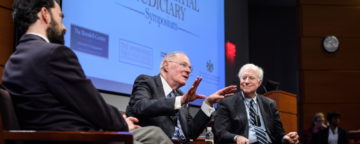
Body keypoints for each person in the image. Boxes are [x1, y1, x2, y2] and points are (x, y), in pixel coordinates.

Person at [2, 0, 172, 144]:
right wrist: (122, 123)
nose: (64, 27)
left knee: (154, 134)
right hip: (79, 137)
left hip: (57, 134)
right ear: (45, 14)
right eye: (60, 17)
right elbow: (92, 105)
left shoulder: (12, 62)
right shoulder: (54, 54)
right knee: (156, 137)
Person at [126, 52, 237, 143]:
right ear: (166, 65)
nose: (188, 71)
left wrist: (208, 103)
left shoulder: (180, 95)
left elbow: (191, 132)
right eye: (183, 65)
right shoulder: (146, 81)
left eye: (190, 68)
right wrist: (180, 100)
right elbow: (140, 106)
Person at [213, 63, 299, 144]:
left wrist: (285, 137)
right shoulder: (227, 103)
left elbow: (278, 132)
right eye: (243, 78)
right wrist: (236, 137)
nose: (246, 81)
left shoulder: (269, 104)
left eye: (251, 78)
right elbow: (220, 132)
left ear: (259, 82)